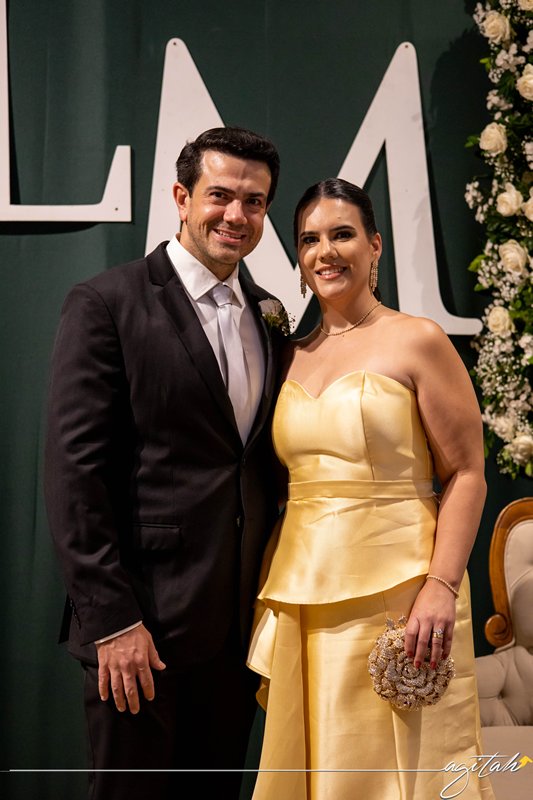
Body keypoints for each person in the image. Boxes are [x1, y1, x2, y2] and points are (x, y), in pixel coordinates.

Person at [44, 126, 286, 800]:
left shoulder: (269, 313)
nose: (236, 215)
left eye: (255, 202)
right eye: (220, 195)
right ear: (181, 198)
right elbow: (74, 476)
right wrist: (112, 622)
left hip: (236, 634)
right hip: (140, 631)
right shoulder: (106, 303)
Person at [247, 178, 495, 799]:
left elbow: (466, 472)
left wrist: (441, 586)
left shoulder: (419, 339)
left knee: (405, 771)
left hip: (405, 593)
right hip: (305, 589)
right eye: (310, 240)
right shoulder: (287, 355)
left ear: (375, 245)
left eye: (342, 234)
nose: (325, 251)